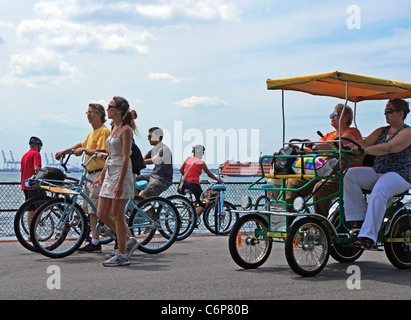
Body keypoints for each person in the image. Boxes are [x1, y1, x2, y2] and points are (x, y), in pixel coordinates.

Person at [344, 99, 411, 249]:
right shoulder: (382, 130)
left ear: (401, 113)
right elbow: (365, 142)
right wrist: (344, 147)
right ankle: (358, 219)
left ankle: (368, 237)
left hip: (399, 175)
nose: (385, 114)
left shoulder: (407, 132)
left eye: (389, 111)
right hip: (379, 172)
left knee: (380, 189)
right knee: (349, 175)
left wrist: (366, 150)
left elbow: (390, 147)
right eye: (385, 111)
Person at [285, 104, 363, 217]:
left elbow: (339, 144)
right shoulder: (328, 135)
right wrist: (301, 148)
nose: (331, 116)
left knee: (321, 188)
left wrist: (314, 145)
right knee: (292, 182)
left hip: (343, 174)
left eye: (335, 114)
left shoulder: (353, 132)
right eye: (331, 114)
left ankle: (321, 224)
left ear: (346, 117)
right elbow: (315, 149)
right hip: (324, 172)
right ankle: (286, 220)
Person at [55, 103, 110, 253]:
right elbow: (81, 145)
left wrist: (84, 150)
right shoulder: (92, 133)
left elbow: (103, 151)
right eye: (87, 112)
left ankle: (118, 237)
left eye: (91, 112)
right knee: (90, 209)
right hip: (90, 173)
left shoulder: (104, 132)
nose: (88, 115)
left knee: (98, 209)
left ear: (100, 114)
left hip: (99, 173)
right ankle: (95, 240)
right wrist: (65, 151)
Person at [93, 96, 138, 267]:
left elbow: (126, 158)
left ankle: (122, 253)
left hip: (121, 172)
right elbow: (111, 155)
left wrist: (120, 183)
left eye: (110, 106)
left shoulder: (126, 130)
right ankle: (128, 240)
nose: (107, 109)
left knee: (118, 214)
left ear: (119, 110)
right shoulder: (113, 127)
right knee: (102, 213)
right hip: (110, 171)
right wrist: (102, 175)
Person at [179, 145, 222, 216]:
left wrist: (187, 177)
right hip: (194, 185)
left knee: (197, 198)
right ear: (200, 153)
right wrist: (218, 180)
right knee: (203, 203)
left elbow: (181, 170)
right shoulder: (200, 162)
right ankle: (193, 219)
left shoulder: (188, 159)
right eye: (203, 152)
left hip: (185, 184)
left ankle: (192, 212)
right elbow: (209, 174)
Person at [135, 127, 173, 198]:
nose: (148, 138)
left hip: (162, 179)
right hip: (153, 175)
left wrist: (138, 162)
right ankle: (140, 206)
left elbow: (153, 160)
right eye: (148, 136)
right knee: (132, 180)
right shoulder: (153, 150)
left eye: (150, 136)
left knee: (142, 196)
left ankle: (144, 206)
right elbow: (142, 158)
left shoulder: (164, 149)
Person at [20, 136, 45, 227]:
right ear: (38, 146)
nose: (41, 149)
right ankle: (33, 232)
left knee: (31, 209)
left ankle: (30, 232)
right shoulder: (36, 154)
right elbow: (36, 169)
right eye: (40, 147)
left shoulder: (24, 156)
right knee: (40, 208)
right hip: (34, 186)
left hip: (25, 185)